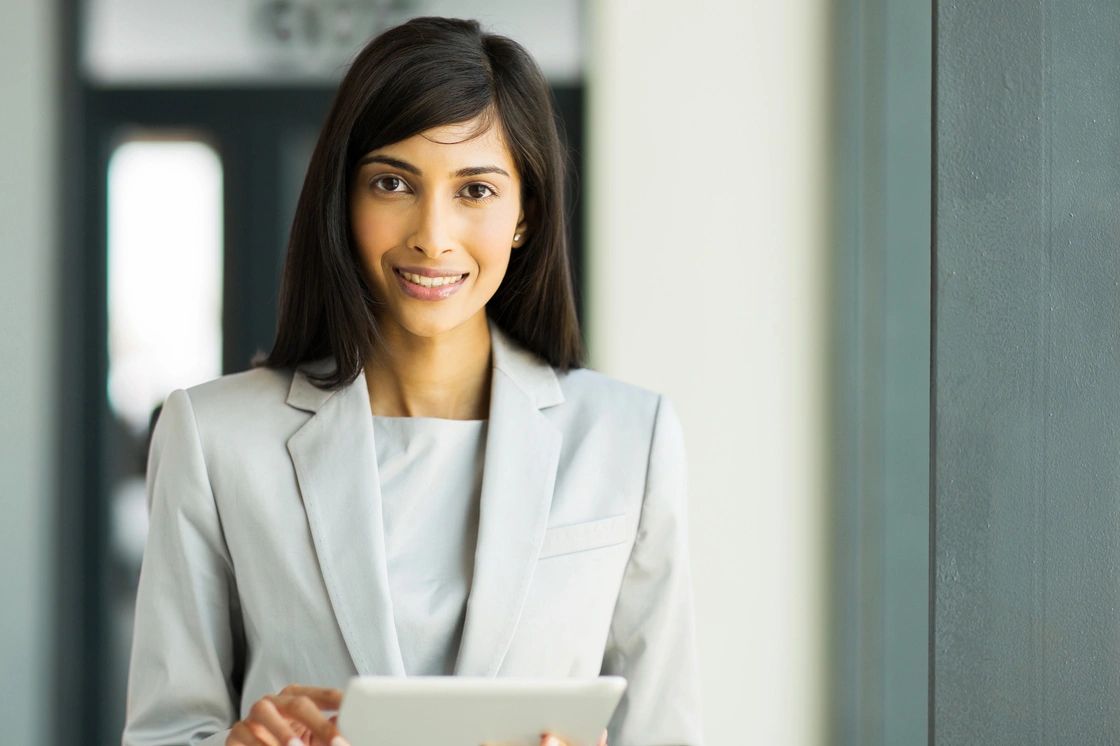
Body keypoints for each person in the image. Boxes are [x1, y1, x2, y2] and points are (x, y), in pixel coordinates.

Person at [122, 15, 702, 746]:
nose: (432, 234)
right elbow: (164, 731)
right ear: (344, 196)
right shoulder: (215, 438)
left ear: (526, 213)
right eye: (393, 182)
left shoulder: (630, 439)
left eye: (476, 190)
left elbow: (664, 729)